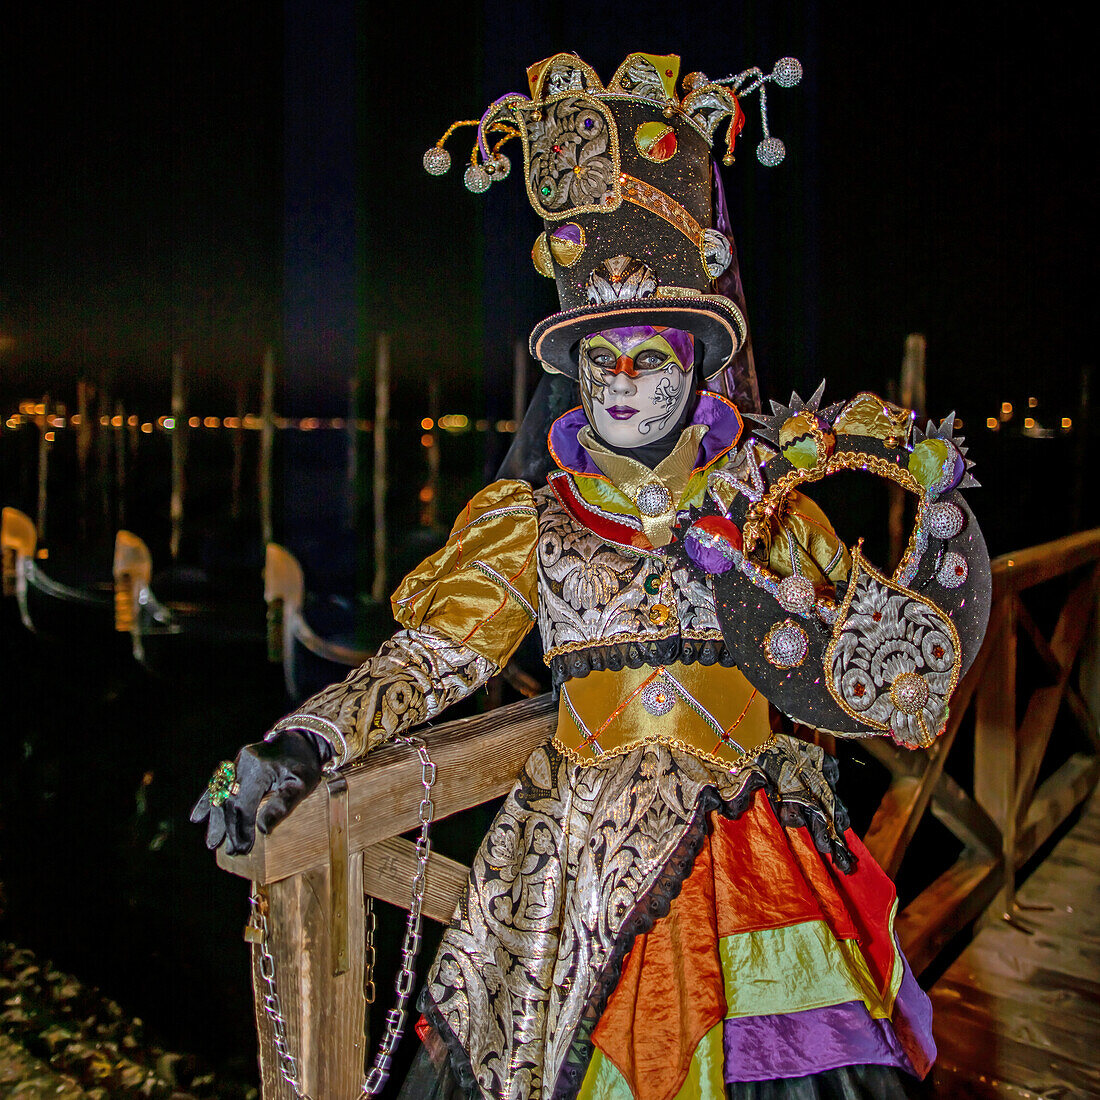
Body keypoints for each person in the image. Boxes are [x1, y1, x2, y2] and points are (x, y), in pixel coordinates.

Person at [195, 52, 987, 1099]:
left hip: (753, 859)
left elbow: (859, 649)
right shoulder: (526, 519)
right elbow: (431, 658)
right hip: (572, 873)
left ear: (695, 363)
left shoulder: (768, 507)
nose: (620, 384)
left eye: (647, 357)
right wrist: (306, 738)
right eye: (599, 361)